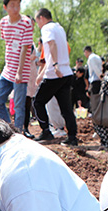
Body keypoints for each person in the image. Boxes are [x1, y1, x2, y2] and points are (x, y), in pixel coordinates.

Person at [33, 8, 79, 146]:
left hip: (55, 74)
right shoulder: (60, 28)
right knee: (66, 108)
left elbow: (52, 45)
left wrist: (56, 65)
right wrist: (42, 74)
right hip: (66, 73)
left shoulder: (46, 28)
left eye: (37, 21)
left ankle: (46, 131)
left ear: (41, 18)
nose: (38, 25)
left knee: (38, 102)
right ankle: (72, 137)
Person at [0, 0, 34, 130]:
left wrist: (19, 71)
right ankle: (10, 128)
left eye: (18, 5)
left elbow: (25, 48)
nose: (16, 9)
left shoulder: (26, 23)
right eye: (12, 5)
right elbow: (7, 43)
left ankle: (17, 133)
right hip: (7, 69)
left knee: (18, 106)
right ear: (5, 7)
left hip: (21, 71)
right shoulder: (3, 22)